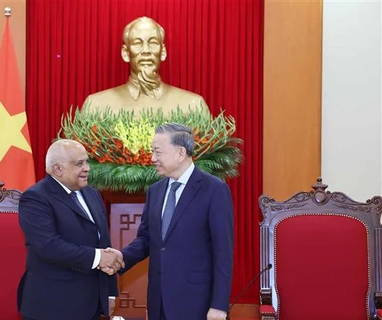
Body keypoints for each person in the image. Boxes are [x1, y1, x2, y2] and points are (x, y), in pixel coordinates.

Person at [106, 123, 234, 320]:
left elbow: (223, 251)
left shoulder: (214, 190)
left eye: (158, 152)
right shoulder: (155, 191)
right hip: (158, 300)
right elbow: (147, 239)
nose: (153, 158)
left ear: (180, 153)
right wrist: (121, 257)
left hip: (196, 302)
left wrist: (219, 305)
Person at [17, 139, 124, 320]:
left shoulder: (92, 194)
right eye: (79, 163)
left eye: (86, 161)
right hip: (53, 306)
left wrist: (110, 293)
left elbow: (103, 242)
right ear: (58, 169)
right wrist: (98, 257)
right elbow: (48, 246)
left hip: (90, 305)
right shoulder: (35, 198)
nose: (87, 168)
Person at [82, 17, 209, 117]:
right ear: (125, 53)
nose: (146, 50)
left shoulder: (193, 106)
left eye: (153, 42)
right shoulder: (96, 106)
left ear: (163, 52)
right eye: (137, 43)